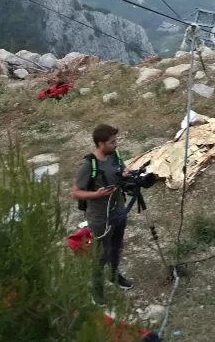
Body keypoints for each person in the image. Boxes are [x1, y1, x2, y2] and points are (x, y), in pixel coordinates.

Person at [71, 124, 134, 304]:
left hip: (119, 210)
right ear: (100, 144)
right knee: (101, 255)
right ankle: (96, 289)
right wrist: (95, 195)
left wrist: (125, 173)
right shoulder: (88, 164)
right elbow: (75, 192)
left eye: (116, 141)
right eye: (112, 142)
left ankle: (114, 276)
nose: (116, 144)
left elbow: (120, 169)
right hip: (100, 217)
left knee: (116, 247)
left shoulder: (115, 155)